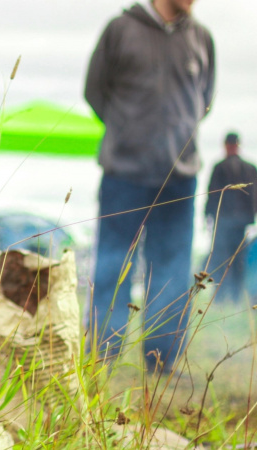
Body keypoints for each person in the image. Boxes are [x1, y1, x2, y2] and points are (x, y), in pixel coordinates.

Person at [84, 0, 215, 372]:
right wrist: (129, 132)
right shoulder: (120, 30)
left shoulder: (202, 38)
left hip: (180, 178)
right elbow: (95, 90)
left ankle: (161, 361)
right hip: (124, 173)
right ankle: (102, 356)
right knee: (112, 265)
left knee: (172, 271)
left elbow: (205, 98)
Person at [205, 132, 257, 303]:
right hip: (237, 222)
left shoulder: (220, 167)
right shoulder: (249, 168)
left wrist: (207, 216)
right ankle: (232, 298)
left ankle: (224, 298)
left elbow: (212, 194)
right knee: (236, 261)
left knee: (224, 260)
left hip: (227, 222)